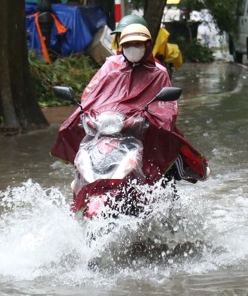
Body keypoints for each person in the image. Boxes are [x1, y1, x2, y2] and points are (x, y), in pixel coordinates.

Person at [51, 23, 207, 189]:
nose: (133, 48)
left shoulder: (158, 73)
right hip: (111, 130)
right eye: (128, 45)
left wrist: (149, 119)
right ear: (121, 46)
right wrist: (87, 114)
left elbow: (166, 109)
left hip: (144, 132)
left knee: (166, 153)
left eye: (137, 44)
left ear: (147, 45)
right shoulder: (112, 69)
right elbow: (91, 96)